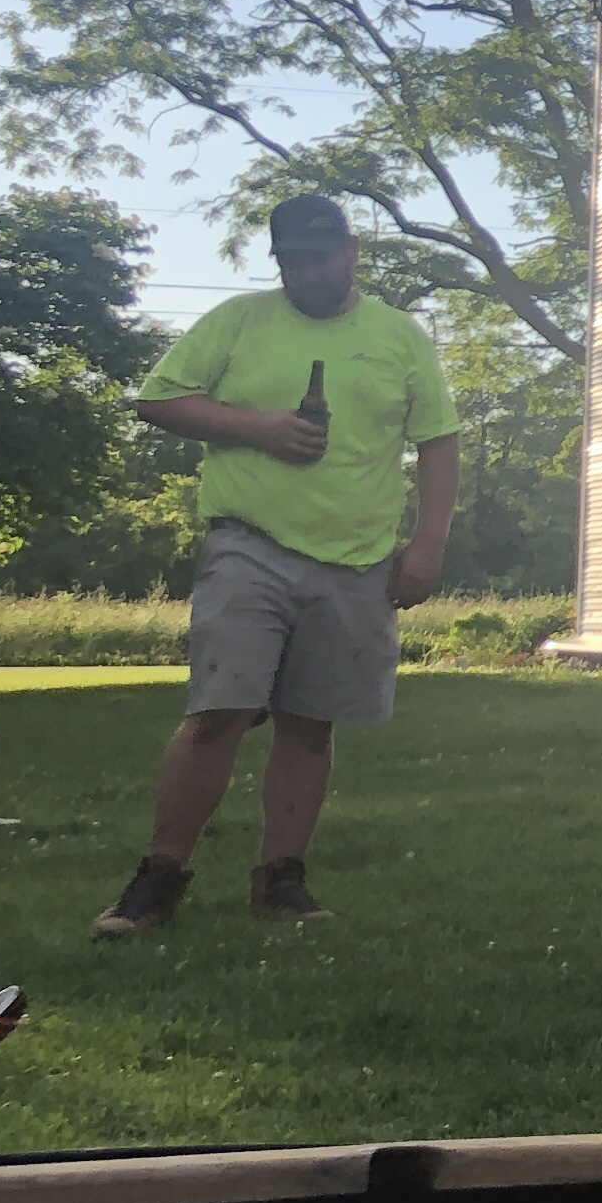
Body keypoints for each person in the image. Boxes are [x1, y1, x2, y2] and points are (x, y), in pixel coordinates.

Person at [90, 195, 459, 936]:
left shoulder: (398, 336)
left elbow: (439, 442)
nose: (308, 273)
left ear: (352, 252)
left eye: (320, 257)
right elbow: (158, 400)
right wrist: (257, 428)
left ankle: (281, 881)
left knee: (311, 723)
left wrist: (427, 544)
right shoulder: (240, 321)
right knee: (218, 712)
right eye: (292, 261)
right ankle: (157, 880)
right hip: (248, 543)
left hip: (357, 557)